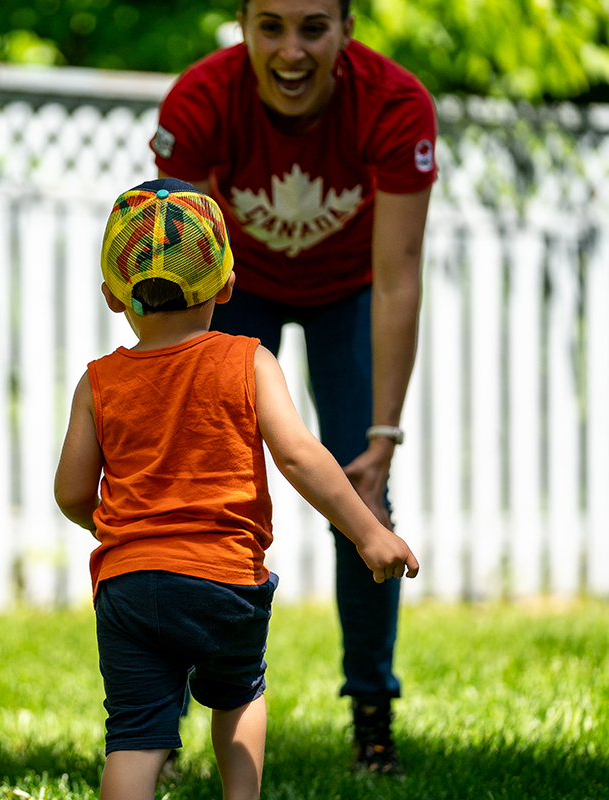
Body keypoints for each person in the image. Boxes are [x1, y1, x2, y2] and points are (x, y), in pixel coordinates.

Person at [53, 177, 419, 800]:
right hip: (223, 581)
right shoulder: (248, 360)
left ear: (114, 297)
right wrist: (369, 531)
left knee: (137, 735)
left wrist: (112, 527)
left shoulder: (98, 383)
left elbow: (69, 491)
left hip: (129, 585)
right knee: (240, 690)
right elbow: (301, 456)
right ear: (226, 283)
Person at [150, 0, 436, 777]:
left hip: (351, 291)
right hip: (235, 287)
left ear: (347, 29)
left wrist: (383, 437)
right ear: (241, 25)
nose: (290, 50)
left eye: (313, 27)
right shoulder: (200, 102)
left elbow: (399, 275)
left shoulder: (396, 104)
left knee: (362, 497)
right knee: (190, 497)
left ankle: (373, 715)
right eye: (270, 26)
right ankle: (159, 724)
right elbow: (181, 270)